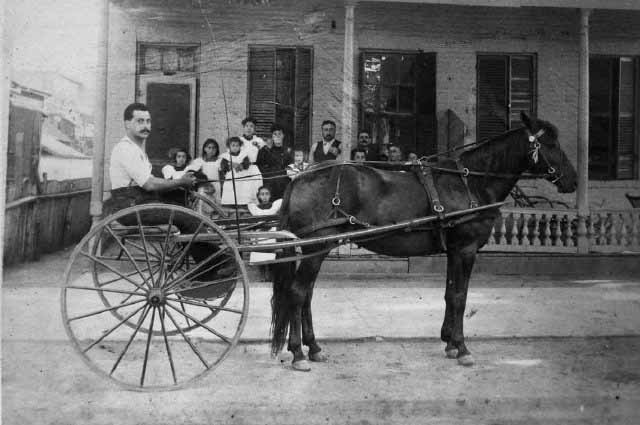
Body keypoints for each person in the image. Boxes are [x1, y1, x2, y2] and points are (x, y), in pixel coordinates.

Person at [108, 103, 196, 210]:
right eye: (140, 121)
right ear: (127, 124)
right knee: (187, 218)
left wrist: (179, 184)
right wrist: (180, 182)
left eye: (148, 121)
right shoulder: (126, 149)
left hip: (138, 202)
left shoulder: (137, 150)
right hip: (131, 206)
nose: (146, 126)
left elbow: (151, 180)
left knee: (184, 203)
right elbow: (149, 184)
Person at [219, 136, 263, 205]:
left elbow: (247, 164)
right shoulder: (226, 156)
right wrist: (229, 166)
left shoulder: (243, 155)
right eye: (233, 145)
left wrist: (241, 165)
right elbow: (223, 166)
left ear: (240, 146)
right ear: (229, 146)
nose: (235, 147)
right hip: (231, 177)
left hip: (241, 177)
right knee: (230, 192)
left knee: (242, 192)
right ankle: (229, 204)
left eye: (237, 145)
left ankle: (242, 204)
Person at [256, 123, 292, 199]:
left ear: (283, 135)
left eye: (280, 134)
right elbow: (260, 166)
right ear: (272, 136)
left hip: (284, 185)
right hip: (269, 185)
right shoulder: (265, 150)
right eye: (275, 134)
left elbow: (291, 167)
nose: (277, 136)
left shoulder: (288, 151)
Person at [190, 138, 222, 202]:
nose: (211, 150)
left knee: (216, 206)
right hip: (203, 187)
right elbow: (193, 175)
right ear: (205, 149)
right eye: (209, 148)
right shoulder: (198, 161)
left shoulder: (220, 161)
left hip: (217, 187)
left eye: (214, 148)